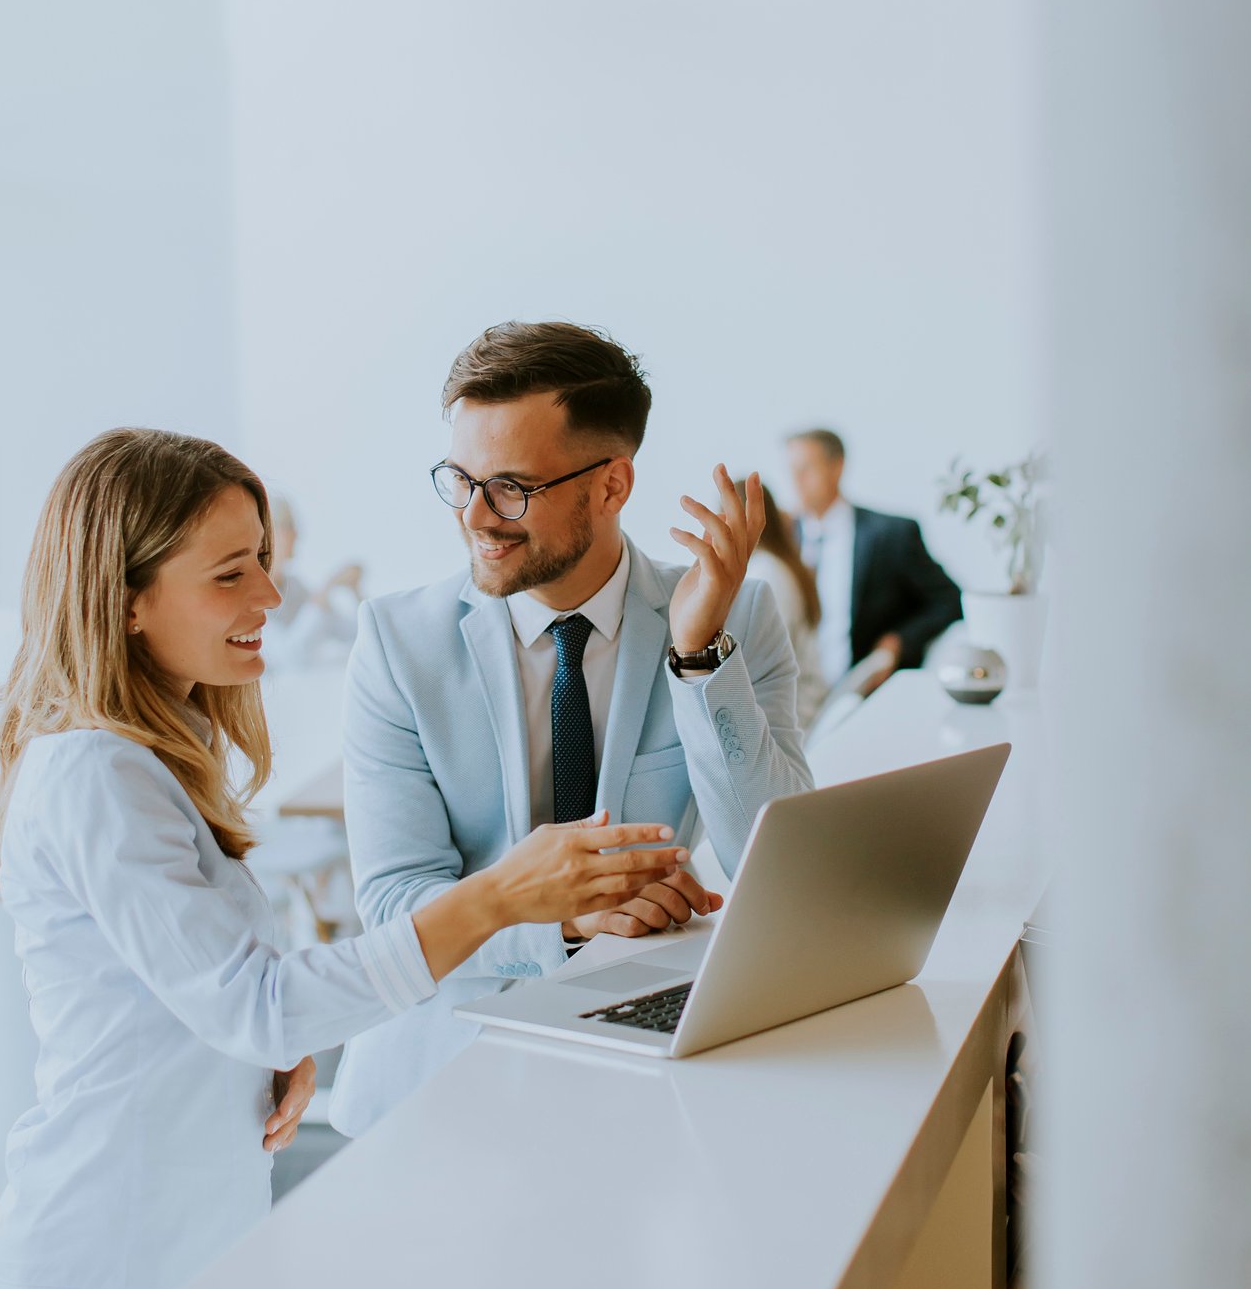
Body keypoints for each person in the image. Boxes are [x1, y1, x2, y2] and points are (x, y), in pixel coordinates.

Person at [0, 428, 684, 1289]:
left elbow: (210, 1000)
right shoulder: (98, 772)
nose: (270, 598)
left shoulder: (154, 757)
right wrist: (493, 898)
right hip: (106, 1269)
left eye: (265, 562)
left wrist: (260, 1054)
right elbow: (258, 1002)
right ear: (127, 599)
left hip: (172, 1256)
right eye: (230, 575)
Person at [330, 323, 814, 1137]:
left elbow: (777, 869)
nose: (477, 515)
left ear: (612, 485)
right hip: (436, 1086)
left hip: (642, 1077)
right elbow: (391, 904)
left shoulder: (735, 616)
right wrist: (563, 914)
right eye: (461, 478)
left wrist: (697, 658)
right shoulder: (395, 643)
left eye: (513, 485)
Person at [786, 429, 963, 696]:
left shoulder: (892, 535)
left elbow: (949, 600)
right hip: (794, 697)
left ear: (837, 467)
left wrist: (898, 642)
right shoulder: (783, 538)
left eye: (807, 468)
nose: (797, 480)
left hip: (863, 693)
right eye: (792, 470)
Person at [747, 482, 827, 731]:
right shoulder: (776, 566)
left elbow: (768, 661)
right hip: (799, 704)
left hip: (794, 715)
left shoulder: (766, 573)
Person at [262, 492, 364, 664]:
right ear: (268, 533)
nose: (297, 534)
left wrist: (355, 590)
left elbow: (355, 634)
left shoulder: (295, 586)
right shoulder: (254, 596)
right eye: (288, 525)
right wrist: (326, 588)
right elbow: (289, 658)